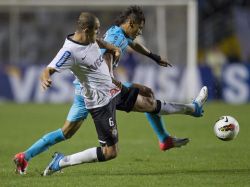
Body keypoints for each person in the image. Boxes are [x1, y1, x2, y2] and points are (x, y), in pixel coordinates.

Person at [14, 6, 208, 175]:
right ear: (131, 23)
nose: (140, 31)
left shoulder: (108, 37)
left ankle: (26, 156)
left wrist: (154, 57)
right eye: (139, 28)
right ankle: (170, 131)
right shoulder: (84, 45)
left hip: (103, 89)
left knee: (147, 96)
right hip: (96, 93)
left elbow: (115, 43)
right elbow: (57, 67)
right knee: (92, 142)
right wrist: (46, 78)